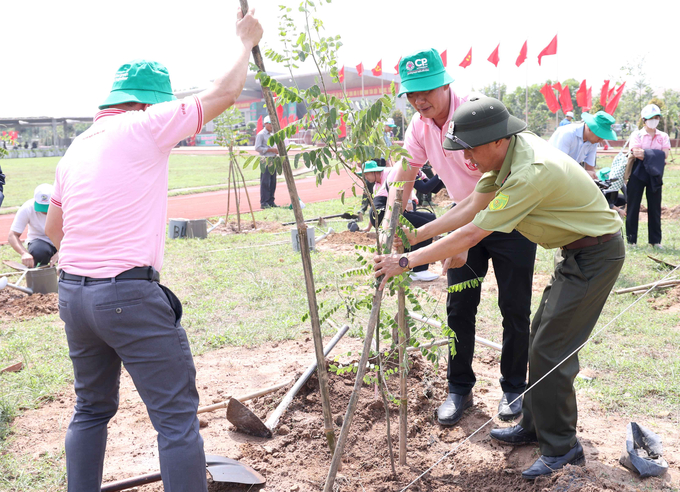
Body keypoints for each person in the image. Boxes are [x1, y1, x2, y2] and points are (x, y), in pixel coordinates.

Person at [44, 9, 263, 492]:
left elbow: (53, 230)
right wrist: (245, 43)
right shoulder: (144, 124)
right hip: (126, 298)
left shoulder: (77, 146)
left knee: (91, 410)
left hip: (74, 298)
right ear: (148, 104)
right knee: (176, 420)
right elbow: (225, 94)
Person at [374, 96, 625, 480]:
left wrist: (407, 261)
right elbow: (471, 205)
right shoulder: (507, 155)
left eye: (471, 150)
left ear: (497, 140)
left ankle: (562, 448)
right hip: (575, 254)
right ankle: (536, 426)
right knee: (541, 338)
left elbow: (475, 231)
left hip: (596, 255)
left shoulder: (530, 171)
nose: (467, 159)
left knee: (550, 349)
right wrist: (415, 236)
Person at [382, 48, 537, 425]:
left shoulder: (473, 112)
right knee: (459, 307)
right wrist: (393, 217)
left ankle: (514, 387)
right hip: (462, 221)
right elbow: (405, 172)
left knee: (514, 307)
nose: (420, 100)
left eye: (428, 90)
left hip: (510, 220)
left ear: (446, 83)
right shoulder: (418, 126)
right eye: (412, 93)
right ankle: (459, 388)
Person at [358, 160, 439, 282]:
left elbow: (433, 187)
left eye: (366, 174)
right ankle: (418, 269)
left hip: (393, 207)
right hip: (385, 209)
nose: (365, 178)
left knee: (431, 219)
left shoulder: (415, 169)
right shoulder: (405, 167)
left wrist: (444, 172)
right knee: (423, 224)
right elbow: (424, 188)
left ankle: (409, 264)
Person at [625, 103, 671, 248]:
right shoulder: (636, 134)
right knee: (633, 206)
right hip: (638, 172)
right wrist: (654, 155)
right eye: (651, 117)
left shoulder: (663, 136)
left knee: (655, 206)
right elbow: (636, 152)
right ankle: (631, 240)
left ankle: (655, 241)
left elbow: (665, 154)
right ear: (644, 119)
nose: (654, 120)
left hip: (656, 174)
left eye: (657, 117)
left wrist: (646, 153)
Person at [549, 111, 617, 180]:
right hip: (550, 174)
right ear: (591, 127)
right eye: (600, 136)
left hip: (566, 176)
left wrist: (594, 179)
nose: (601, 140)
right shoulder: (568, 134)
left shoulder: (593, 141)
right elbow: (560, 166)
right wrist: (585, 173)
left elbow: (590, 168)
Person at [8, 184, 58, 267]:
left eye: (48, 207)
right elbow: (12, 235)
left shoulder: (64, 207)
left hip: (63, 241)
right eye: (42, 207)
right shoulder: (27, 207)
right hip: (40, 241)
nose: (45, 212)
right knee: (39, 251)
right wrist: (24, 253)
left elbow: (75, 234)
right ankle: (41, 273)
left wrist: (62, 251)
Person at [255, 115, 279, 209]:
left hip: (273, 159)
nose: (272, 125)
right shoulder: (261, 134)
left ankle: (271, 201)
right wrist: (270, 150)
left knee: (273, 181)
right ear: (266, 124)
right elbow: (257, 147)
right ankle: (264, 202)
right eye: (271, 123)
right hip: (265, 160)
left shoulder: (273, 135)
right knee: (265, 181)